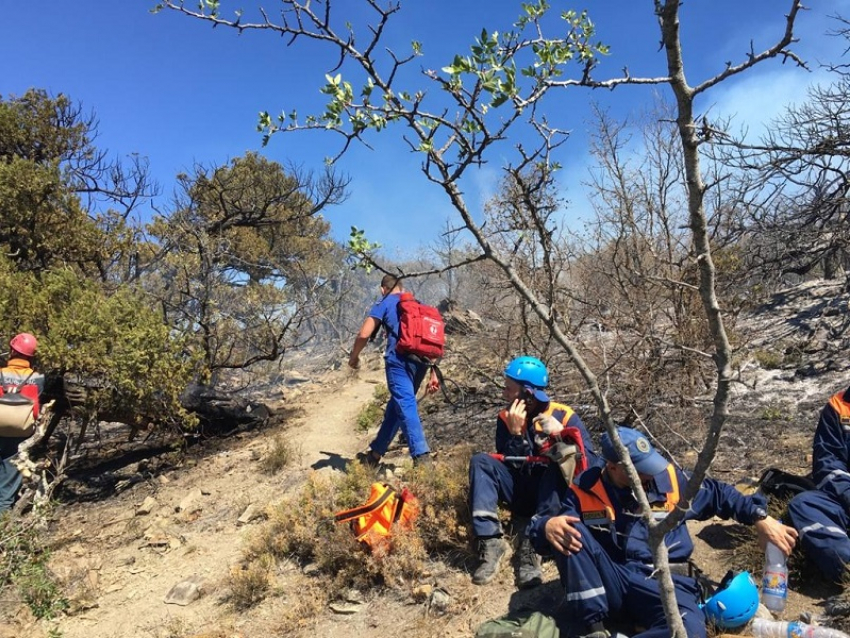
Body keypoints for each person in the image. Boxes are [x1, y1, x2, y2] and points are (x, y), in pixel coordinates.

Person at [528, 426, 798, 638]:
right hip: (615, 578)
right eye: (640, 469)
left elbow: (719, 494)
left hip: (667, 580)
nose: (648, 475)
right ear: (613, 467)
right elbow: (540, 537)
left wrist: (761, 517)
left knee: (688, 632)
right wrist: (546, 526)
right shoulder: (585, 488)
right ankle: (594, 629)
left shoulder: (670, 479)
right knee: (567, 527)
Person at [468, 355, 599, 589]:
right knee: (481, 461)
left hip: (554, 498)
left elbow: (586, 466)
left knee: (553, 467)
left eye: (509, 389)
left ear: (527, 394)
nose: (504, 394)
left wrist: (562, 436)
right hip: (521, 490)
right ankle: (490, 542)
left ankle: (533, 544)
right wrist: (516, 434)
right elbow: (513, 465)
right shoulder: (505, 417)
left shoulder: (564, 415)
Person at [348, 274, 439, 466]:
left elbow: (364, 333)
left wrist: (354, 357)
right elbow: (434, 340)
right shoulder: (418, 304)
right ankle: (374, 456)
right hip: (421, 363)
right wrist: (433, 372)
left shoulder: (385, 301)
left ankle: (422, 457)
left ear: (383, 289)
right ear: (402, 287)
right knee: (397, 408)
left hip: (398, 361)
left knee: (405, 404)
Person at [788, 385, 850, 582]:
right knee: (804, 505)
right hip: (845, 501)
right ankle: (847, 570)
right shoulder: (838, 407)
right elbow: (828, 464)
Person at [0, 333, 44, 513]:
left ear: (12, 351)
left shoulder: (1, 374)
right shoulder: (38, 377)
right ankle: (3, 518)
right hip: (20, 431)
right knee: (9, 476)